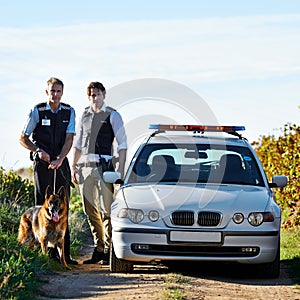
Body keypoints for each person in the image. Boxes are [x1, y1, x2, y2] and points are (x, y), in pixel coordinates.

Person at [20, 77, 77, 265]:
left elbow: (69, 139)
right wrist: (38, 151)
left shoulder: (69, 111)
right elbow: (23, 138)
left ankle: (64, 255)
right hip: (42, 164)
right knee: (42, 206)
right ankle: (45, 255)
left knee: (63, 207)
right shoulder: (37, 111)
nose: (55, 94)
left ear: (62, 92)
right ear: (47, 92)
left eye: (58, 91)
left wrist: (60, 158)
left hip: (61, 163)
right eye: (52, 91)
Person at [72, 81, 127, 264]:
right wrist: (74, 167)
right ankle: (99, 248)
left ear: (104, 95)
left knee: (107, 209)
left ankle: (110, 249)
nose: (94, 98)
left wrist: (121, 170)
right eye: (91, 95)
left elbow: (123, 144)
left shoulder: (113, 115)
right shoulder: (84, 115)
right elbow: (78, 145)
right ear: (89, 97)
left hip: (105, 167)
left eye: (97, 94)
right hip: (85, 167)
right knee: (89, 209)